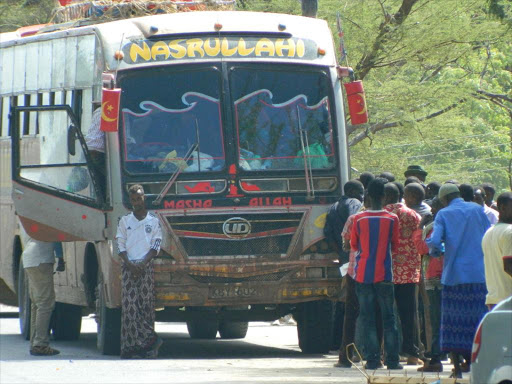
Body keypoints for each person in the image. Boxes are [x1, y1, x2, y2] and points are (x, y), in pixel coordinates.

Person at [426, 183, 490, 378]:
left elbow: (435, 242)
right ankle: (474, 365)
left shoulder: (443, 214)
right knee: (476, 322)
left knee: (452, 323)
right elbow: (487, 234)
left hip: (454, 276)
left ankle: (456, 368)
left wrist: (436, 250)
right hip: (479, 276)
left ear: (444, 199)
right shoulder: (478, 209)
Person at [350, 178, 402, 370]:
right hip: (385, 274)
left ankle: (372, 360)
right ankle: (393, 361)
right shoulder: (391, 219)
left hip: (363, 274)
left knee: (368, 317)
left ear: (368, 196)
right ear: (384, 196)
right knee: (389, 318)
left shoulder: (359, 219)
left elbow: (354, 245)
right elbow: (395, 245)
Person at [116, 184, 163, 359]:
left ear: (144, 198)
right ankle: (131, 347)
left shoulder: (154, 221)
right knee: (129, 308)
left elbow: (155, 245)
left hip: (146, 266)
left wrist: (143, 264)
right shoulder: (124, 221)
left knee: (145, 307)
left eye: (139, 198)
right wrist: (129, 264)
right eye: (134, 199)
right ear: (130, 201)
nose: (137, 201)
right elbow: (120, 245)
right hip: (128, 267)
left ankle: (148, 348)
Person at [383, 183, 423, 366]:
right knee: (409, 314)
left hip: (385, 271)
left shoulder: (381, 215)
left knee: (386, 314)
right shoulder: (413, 215)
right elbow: (420, 240)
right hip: (408, 271)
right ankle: (412, 353)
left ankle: (387, 353)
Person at [323, 180, 364, 350]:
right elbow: (356, 224)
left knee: (344, 298)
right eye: (361, 191)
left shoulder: (333, 206)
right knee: (355, 298)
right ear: (353, 191)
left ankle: (336, 340)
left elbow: (327, 233)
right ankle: (353, 343)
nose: (362, 196)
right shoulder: (354, 204)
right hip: (354, 256)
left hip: (343, 257)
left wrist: (341, 251)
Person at [414, 197, 445, 372]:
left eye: (434, 207)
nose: (431, 210)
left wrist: (419, 228)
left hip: (434, 276)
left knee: (434, 318)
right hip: (447, 274)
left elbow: (422, 248)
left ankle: (435, 357)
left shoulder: (433, 228)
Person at [22, 239, 61, 356]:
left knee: (37, 304)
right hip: (41, 259)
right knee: (45, 303)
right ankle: (40, 344)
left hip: (29, 258)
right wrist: (61, 256)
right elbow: (56, 236)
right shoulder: (50, 220)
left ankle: (35, 343)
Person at [481, 192, 512, 310]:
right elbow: (509, 266)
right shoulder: (509, 231)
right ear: (503, 208)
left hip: (494, 301)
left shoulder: (489, 232)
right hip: (508, 300)